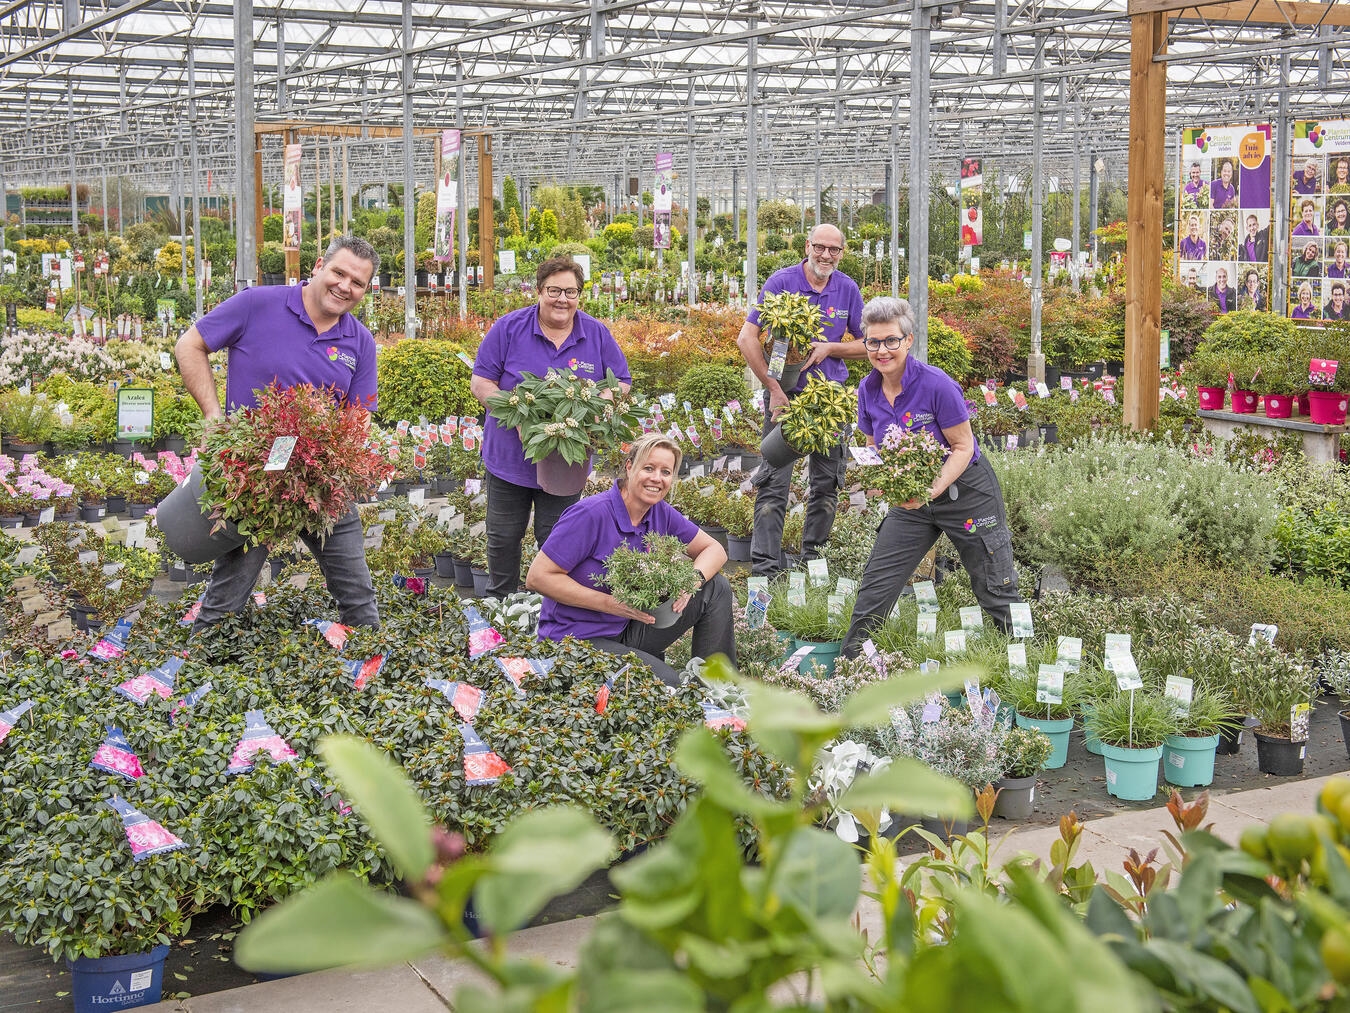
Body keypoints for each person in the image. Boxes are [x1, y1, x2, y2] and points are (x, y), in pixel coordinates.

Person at [174, 235, 382, 631]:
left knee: (358, 596)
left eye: (357, 283)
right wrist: (213, 417)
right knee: (226, 598)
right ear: (319, 264)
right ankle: (200, 672)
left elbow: (359, 418)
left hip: (318, 481)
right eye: (339, 273)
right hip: (254, 478)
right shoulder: (258, 304)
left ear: (365, 290)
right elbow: (190, 344)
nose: (345, 286)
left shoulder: (360, 341)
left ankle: (366, 671)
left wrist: (343, 461)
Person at [840, 297, 1021, 655]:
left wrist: (929, 489)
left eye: (891, 340)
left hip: (965, 491)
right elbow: (874, 446)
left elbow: (963, 447)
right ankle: (849, 672)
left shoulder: (937, 385)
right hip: (911, 500)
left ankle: (1023, 664)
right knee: (878, 583)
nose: (882, 350)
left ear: (908, 341)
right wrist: (884, 483)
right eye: (873, 342)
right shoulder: (867, 390)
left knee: (994, 585)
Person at [472, 257, 631, 599]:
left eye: (570, 291)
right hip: (510, 458)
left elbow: (620, 381)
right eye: (554, 290)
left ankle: (552, 612)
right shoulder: (510, 327)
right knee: (502, 536)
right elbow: (482, 381)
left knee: (557, 539)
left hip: (566, 461)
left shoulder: (596, 333)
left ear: (580, 295)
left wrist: (596, 406)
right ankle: (499, 606)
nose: (562, 299)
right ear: (539, 290)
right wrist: (518, 412)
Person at [527, 434, 734, 686]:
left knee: (714, 588)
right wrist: (609, 604)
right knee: (671, 688)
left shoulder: (659, 512)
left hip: (629, 626)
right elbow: (538, 577)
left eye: (666, 471)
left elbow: (715, 549)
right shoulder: (591, 514)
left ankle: (717, 686)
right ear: (629, 466)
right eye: (649, 468)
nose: (657, 478)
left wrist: (690, 581)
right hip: (577, 640)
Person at [736, 222, 865, 577]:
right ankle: (765, 571)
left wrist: (831, 348)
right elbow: (746, 339)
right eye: (820, 247)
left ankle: (814, 567)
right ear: (807, 245)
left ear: (841, 253)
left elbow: (869, 344)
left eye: (834, 250)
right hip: (785, 399)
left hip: (830, 403)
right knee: (773, 484)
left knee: (826, 486)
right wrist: (774, 390)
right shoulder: (782, 282)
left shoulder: (847, 289)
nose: (826, 255)